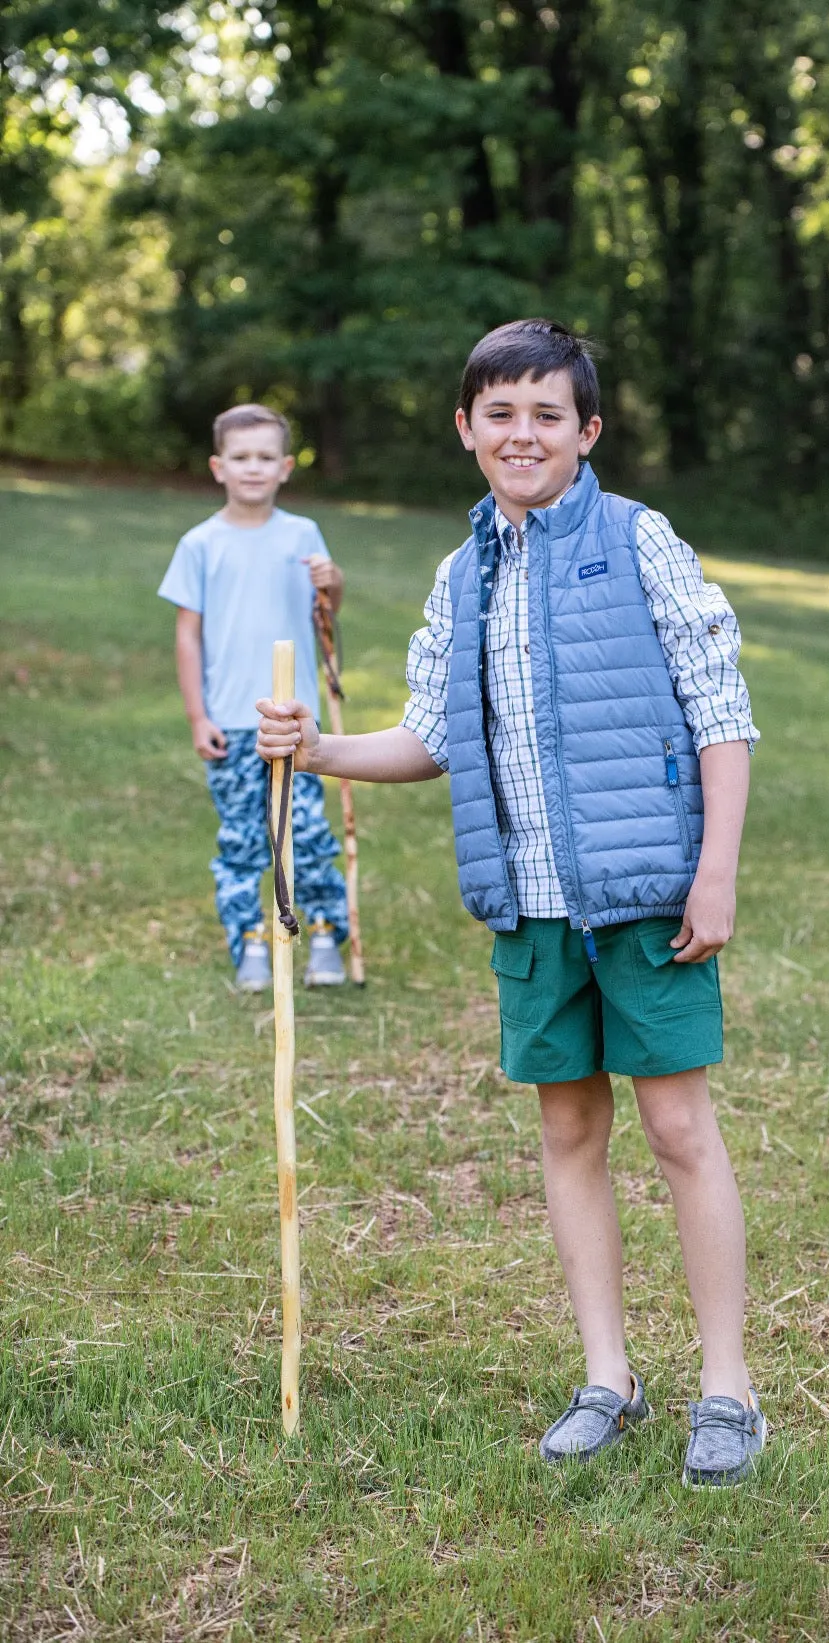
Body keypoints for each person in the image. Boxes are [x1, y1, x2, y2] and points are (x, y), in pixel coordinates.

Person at [256, 321, 766, 1487]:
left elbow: (718, 709)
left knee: (678, 1129)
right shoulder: (463, 571)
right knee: (566, 1131)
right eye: (499, 413)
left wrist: (716, 868)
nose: (521, 433)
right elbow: (432, 733)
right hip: (528, 906)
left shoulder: (639, 542)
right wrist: (317, 745)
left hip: (646, 895)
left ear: (585, 431)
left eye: (546, 414)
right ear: (466, 429)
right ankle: (607, 1375)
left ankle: (727, 1388)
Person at [159, 402, 350, 991]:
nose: (253, 468)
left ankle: (322, 935)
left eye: (266, 457)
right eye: (240, 458)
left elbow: (326, 616)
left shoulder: (302, 535)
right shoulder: (200, 543)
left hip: (296, 720)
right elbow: (188, 637)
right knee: (243, 838)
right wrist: (198, 717)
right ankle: (251, 943)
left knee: (308, 833)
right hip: (233, 720)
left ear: (286, 466)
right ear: (218, 466)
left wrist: (332, 583)